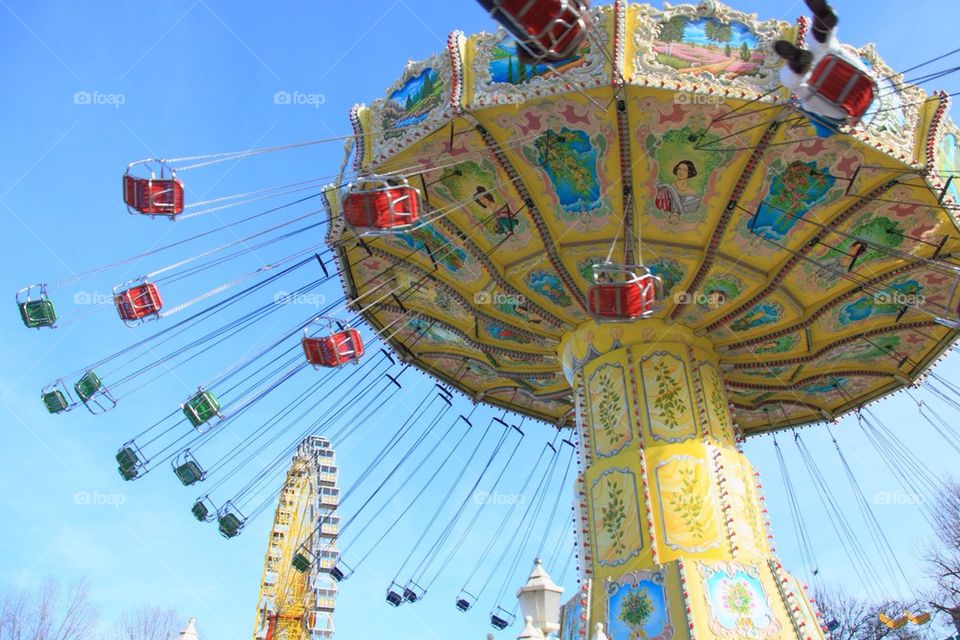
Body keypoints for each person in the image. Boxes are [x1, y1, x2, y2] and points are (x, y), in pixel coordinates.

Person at [772, 0, 874, 137]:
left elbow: (824, 132)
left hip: (859, 84)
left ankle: (822, 28)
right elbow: (825, 133)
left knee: (827, 50)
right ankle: (800, 61)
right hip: (846, 105)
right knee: (801, 85)